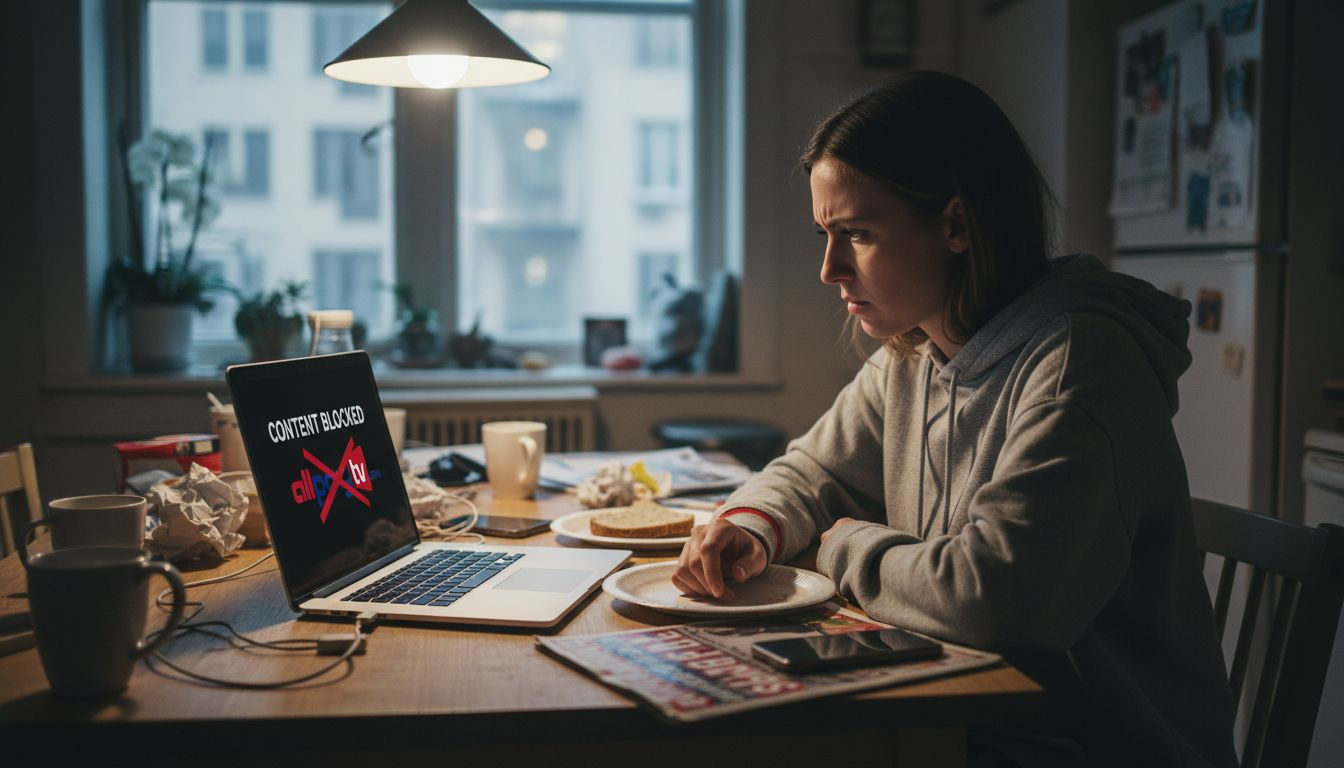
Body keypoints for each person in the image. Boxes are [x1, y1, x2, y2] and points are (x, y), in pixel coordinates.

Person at [674, 71, 1237, 767]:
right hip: (967, 715)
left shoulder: (1080, 362)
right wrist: (751, 525)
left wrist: (836, 544)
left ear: (957, 224)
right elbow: (816, 468)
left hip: (1079, 745)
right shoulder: (916, 350)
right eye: (825, 233)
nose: (829, 269)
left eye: (856, 234)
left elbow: (997, 601)